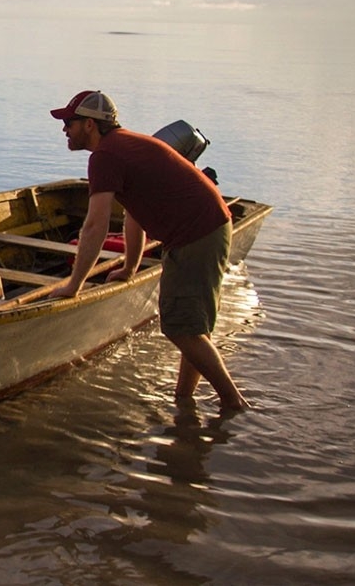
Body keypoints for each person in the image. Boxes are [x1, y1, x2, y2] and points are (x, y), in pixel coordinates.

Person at [48, 90, 249, 412]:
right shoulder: (124, 146)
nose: (64, 130)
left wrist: (74, 285)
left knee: (180, 327)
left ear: (89, 124)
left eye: (69, 123)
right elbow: (133, 214)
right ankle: (185, 400)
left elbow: (94, 227)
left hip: (196, 235)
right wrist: (129, 267)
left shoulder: (105, 156)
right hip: (209, 228)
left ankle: (233, 402)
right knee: (192, 328)